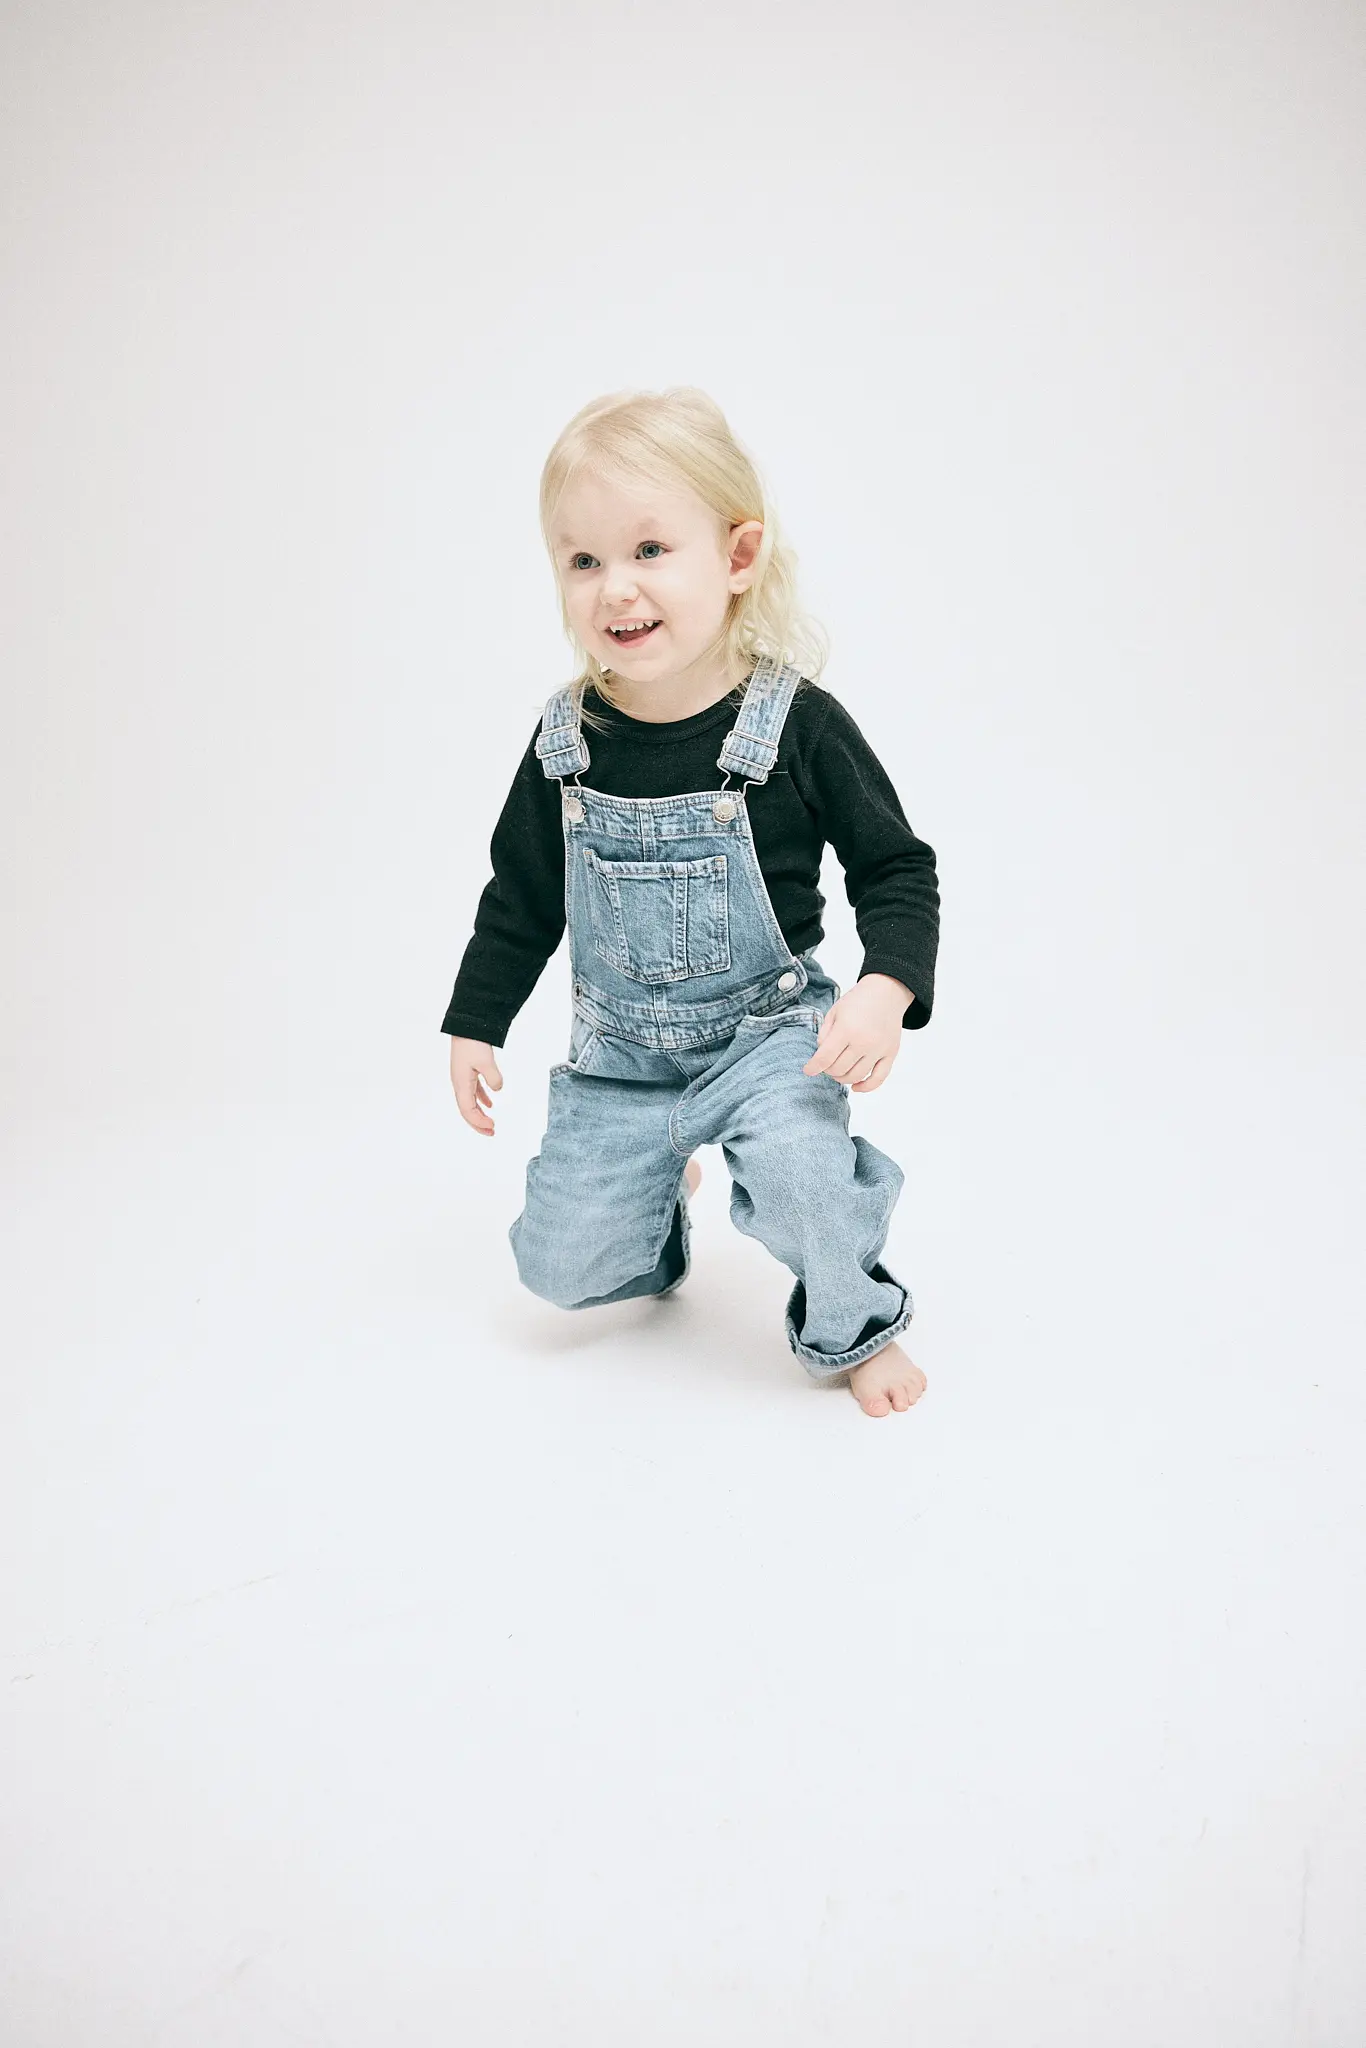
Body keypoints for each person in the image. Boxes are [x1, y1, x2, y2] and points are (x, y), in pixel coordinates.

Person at [441, 388, 940, 1418]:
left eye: (649, 549)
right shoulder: (566, 742)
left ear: (738, 556)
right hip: (621, 1056)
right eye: (583, 560)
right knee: (556, 1269)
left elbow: (896, 866)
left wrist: (885, 988)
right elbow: (520, 896)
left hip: (768, 1040)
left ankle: (857, 1321)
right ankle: (659, 1209)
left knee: (803, 1182)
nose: (615, 586)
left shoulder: (795, 724)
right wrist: (474, 1019)